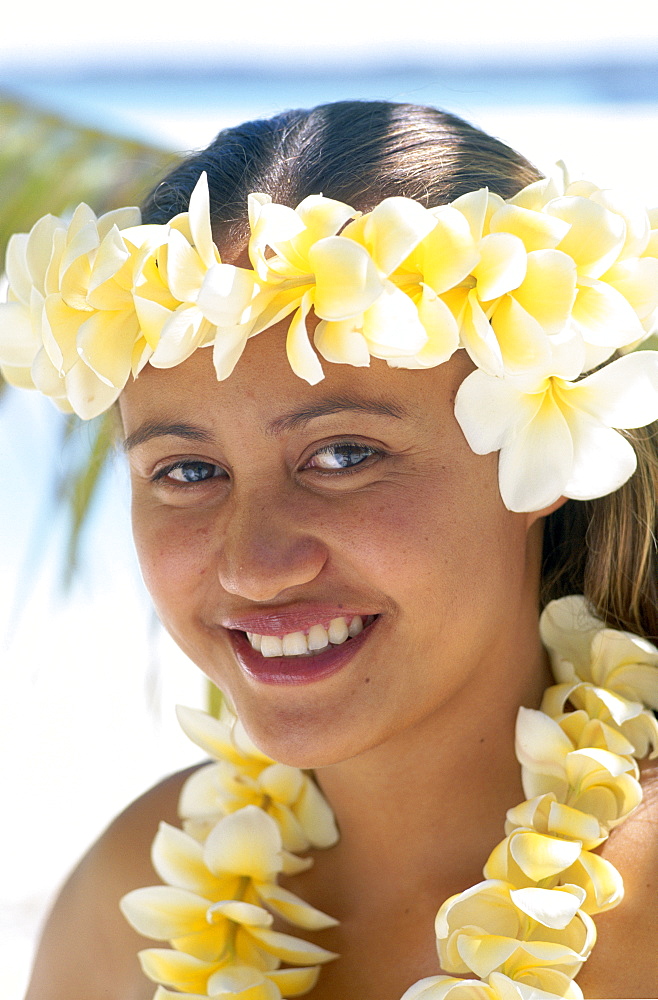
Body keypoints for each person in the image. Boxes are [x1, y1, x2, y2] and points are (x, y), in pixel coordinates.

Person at [2, 100, 658, 1000]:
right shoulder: (122, 910)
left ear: (541, 447)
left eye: (345, 456)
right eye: (188, 471)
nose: (252, 566)